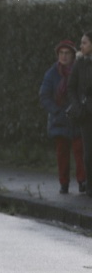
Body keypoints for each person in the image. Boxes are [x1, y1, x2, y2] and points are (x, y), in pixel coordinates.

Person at [45, 40, 87, 194]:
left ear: (73, 55)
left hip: (76, 118)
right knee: (62, 154)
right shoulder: (52, 73)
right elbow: (44, 95)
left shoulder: (79, 70)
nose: (64, 56)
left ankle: (83, 181)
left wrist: (79, 108)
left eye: (67, 53)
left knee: (80, 151)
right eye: (61, 53)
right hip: (59, 120)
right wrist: (56, 111)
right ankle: (64, 184)